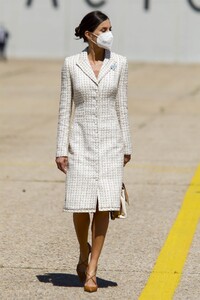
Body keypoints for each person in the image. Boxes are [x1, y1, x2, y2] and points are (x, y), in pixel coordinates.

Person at [55, 10, 132, 293]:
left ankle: (92, 268)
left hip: (112, 143)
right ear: (89, 35)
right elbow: (66, 109)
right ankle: (82, 250)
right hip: (81, 143)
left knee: (104, 205)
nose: (110, 33)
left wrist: (128, 145)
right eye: (104, 29)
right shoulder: (71, 64)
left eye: (111, 27)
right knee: (80, 204)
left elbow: (122, 105)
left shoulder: (120, 64)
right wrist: (60, 149)